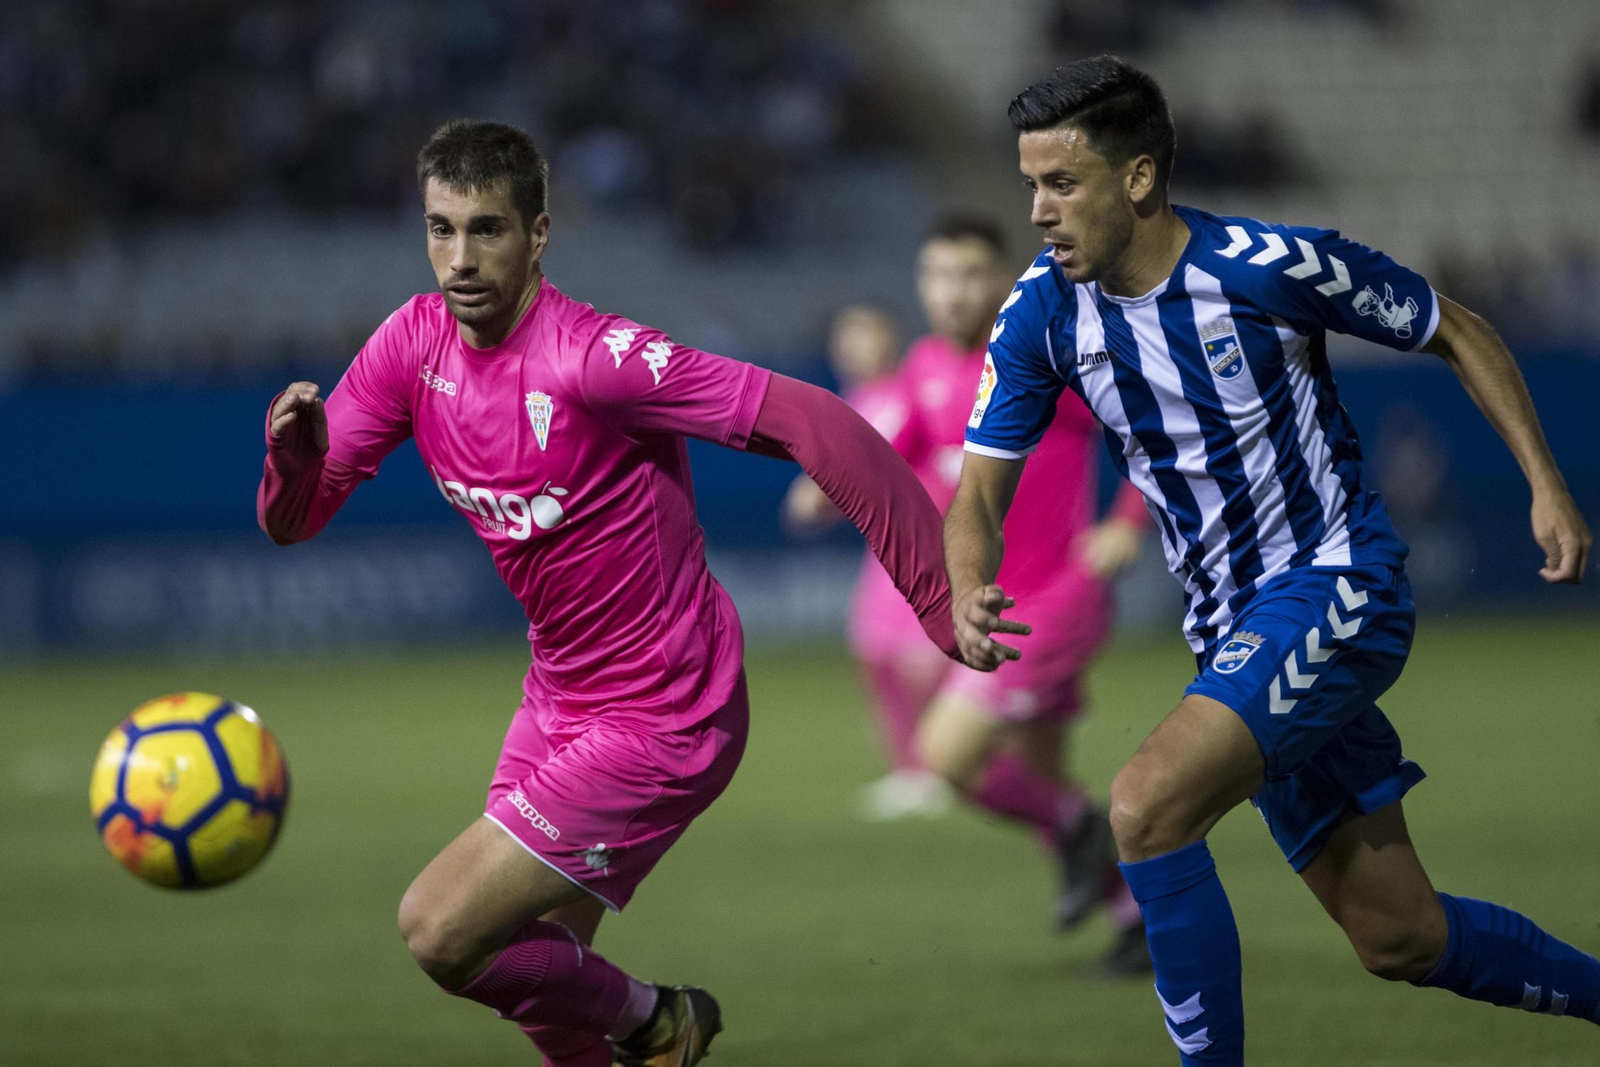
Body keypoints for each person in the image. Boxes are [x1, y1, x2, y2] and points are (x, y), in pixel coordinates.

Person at [257, 119, 956, 1067]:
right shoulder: (409, 348)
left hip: (668, 708)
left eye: (487, 230)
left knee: (441, 926)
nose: (459, 258)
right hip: (559, 697)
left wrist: (941, 602)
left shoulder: (596, 359)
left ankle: (664, 1021)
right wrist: (289, 463)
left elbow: (813, 419)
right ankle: (643, 1030)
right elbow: (296, 519)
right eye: (440, 228)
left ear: (538, 234)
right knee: (541, 972)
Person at [949, 55, 1597, 1064]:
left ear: (1137, 178)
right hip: (1232, 637)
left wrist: (1545, 486)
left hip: (1339, 583)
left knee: (1145, 805)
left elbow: (1456, 329)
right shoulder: (1041, 315)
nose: (1037, 209)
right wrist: (963, 578)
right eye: (1031, 183)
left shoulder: (1267, 264)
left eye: (1060, 182)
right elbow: (976, 491)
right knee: (1399, 935)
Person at [790, 216, 1154, 974]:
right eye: (936, 276)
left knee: (946, 754)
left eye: (968, 275)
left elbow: (1149, 432)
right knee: (1042, 777)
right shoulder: (926, 366)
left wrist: (1125, 522)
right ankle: (1135, 920)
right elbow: (897, 447)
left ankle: (1084, 828)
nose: (950, 293)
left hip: (1056, 598)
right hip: (992, 603)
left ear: (1002, 280)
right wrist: (832, 484)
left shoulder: (1045, 357)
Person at [784, 304, 958, 821]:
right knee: (875, 655)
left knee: (922, 660)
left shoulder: (907, 390)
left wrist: (815, 494)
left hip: (923, 540)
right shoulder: (857, 400)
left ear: (889, 338)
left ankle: (942, 766)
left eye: (865, 334)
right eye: (847, 337)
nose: (854, 347)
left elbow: (874, 458)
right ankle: (912, 770)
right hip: (883, 550)